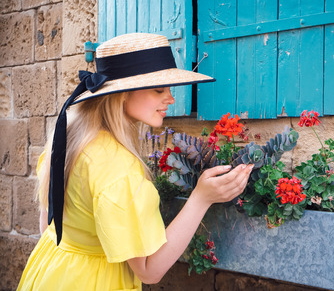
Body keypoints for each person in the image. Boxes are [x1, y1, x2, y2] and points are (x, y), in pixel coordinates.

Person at [18, 33, 253, 290]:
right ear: (122, 95)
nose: (171, 99)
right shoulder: (118, 168)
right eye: (159, 89)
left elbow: (47, 224)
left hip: (50, 271)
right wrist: (201, 198)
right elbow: (149, 271)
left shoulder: (68, 136)